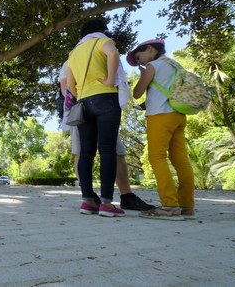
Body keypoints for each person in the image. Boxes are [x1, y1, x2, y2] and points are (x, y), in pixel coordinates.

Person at [59, 62, 155, 211]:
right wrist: (87, 98)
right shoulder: (73, 59)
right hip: (81, 109)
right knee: (81, 152)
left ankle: (126, 195)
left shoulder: (103, 55)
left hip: (105, 109)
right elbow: (66, 89)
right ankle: (90, 197)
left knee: (116, 152)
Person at [129, 39, 195, 220]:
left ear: (150, 49)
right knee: (181, 160)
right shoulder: (174, 65)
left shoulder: (153, 65)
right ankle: (186, 206)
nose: (139, 62)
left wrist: (143, 73)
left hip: (160, 116)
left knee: (157, 157)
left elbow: (136, 93)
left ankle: (169, 206)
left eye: (138, 56)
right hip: (178, 115)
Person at [65, 19, 125, 217]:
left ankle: (87, 201)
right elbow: (113, 53)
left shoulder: (74, 53)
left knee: (86, 153)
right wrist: (109, 80)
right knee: (107, 149)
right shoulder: (101, 40)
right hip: (105, 97)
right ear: (101, 30)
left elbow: (70, 86)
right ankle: (107, 203)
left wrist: (80, 94)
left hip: (83, 103)